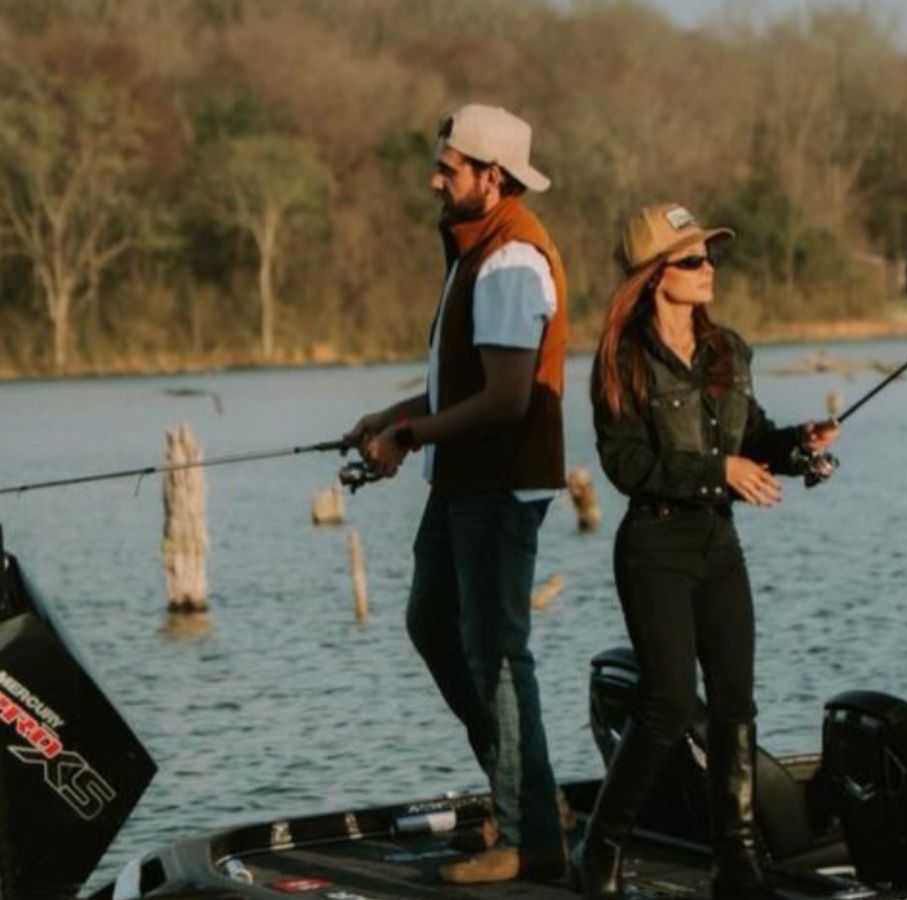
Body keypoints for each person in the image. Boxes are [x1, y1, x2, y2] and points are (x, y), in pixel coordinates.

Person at [570, 203, 839, 900]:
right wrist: (719, 473)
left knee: (735, 705)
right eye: (692, 260)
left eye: (710, 256)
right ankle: (599, 850)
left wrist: (794, 448)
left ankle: (737, 863)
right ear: (655, 276)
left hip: (719, 544)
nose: (708, 269)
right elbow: (628, 466)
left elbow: (752, 442)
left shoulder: (730, 352)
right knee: (663, 704)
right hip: (655, 546)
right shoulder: (620, 363)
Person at [344, 104, 569, 885]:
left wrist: (409, 438)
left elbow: (507, 401)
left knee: (497, 652)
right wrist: (394, 414)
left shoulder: (511, 262)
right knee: (432, 622)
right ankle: (527, 800)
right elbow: (462, 383)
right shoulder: (478, 251)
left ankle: (530, 834)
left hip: (499, 486)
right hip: (464, 481)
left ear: (492, 177)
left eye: (450, 168)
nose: (434, 178)